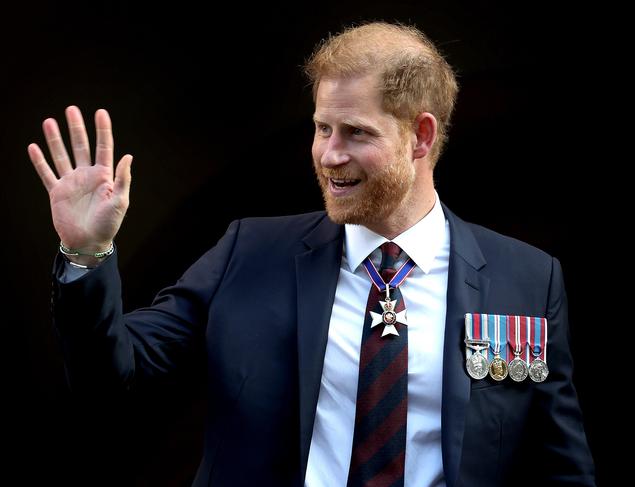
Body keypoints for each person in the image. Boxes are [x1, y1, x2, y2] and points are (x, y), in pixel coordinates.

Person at [28, 21, 595, 487]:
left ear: (421, 137)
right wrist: (87, 253)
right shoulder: (249, 252)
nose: (328, 154)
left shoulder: (527, 279)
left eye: (355, 133)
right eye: (321, 128)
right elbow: (113, 379)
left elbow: (561, 468)